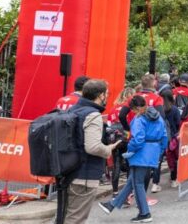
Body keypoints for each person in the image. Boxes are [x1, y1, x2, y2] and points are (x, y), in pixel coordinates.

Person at [99, 94, 168, 223]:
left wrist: (130, 150)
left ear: (135, 108)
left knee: (138, 183)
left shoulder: (138, 119)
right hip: (153, 151)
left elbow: (138, 139)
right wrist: (160, 152)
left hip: (140, 153)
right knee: (133, 181)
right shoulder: (158, 118)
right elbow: (164, 136)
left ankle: (145, 213)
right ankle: (112, 205)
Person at [59, 80, 119, 224]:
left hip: (69, 171)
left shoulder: (73, 110)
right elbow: (92, 147)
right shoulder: (93, 115)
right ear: (100, 95)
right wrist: (108, 149)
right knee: (76, 219)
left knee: (67, 216)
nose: (107, 97)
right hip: (85, 175)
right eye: (107, 94)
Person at [108, 87, 135, 194]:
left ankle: (115, 191)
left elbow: (110, 124)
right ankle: (129, 191)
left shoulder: (114, 108)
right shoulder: (130, 109)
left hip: (115, 139)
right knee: (129, 164)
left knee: (116, 165)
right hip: (128, 138)